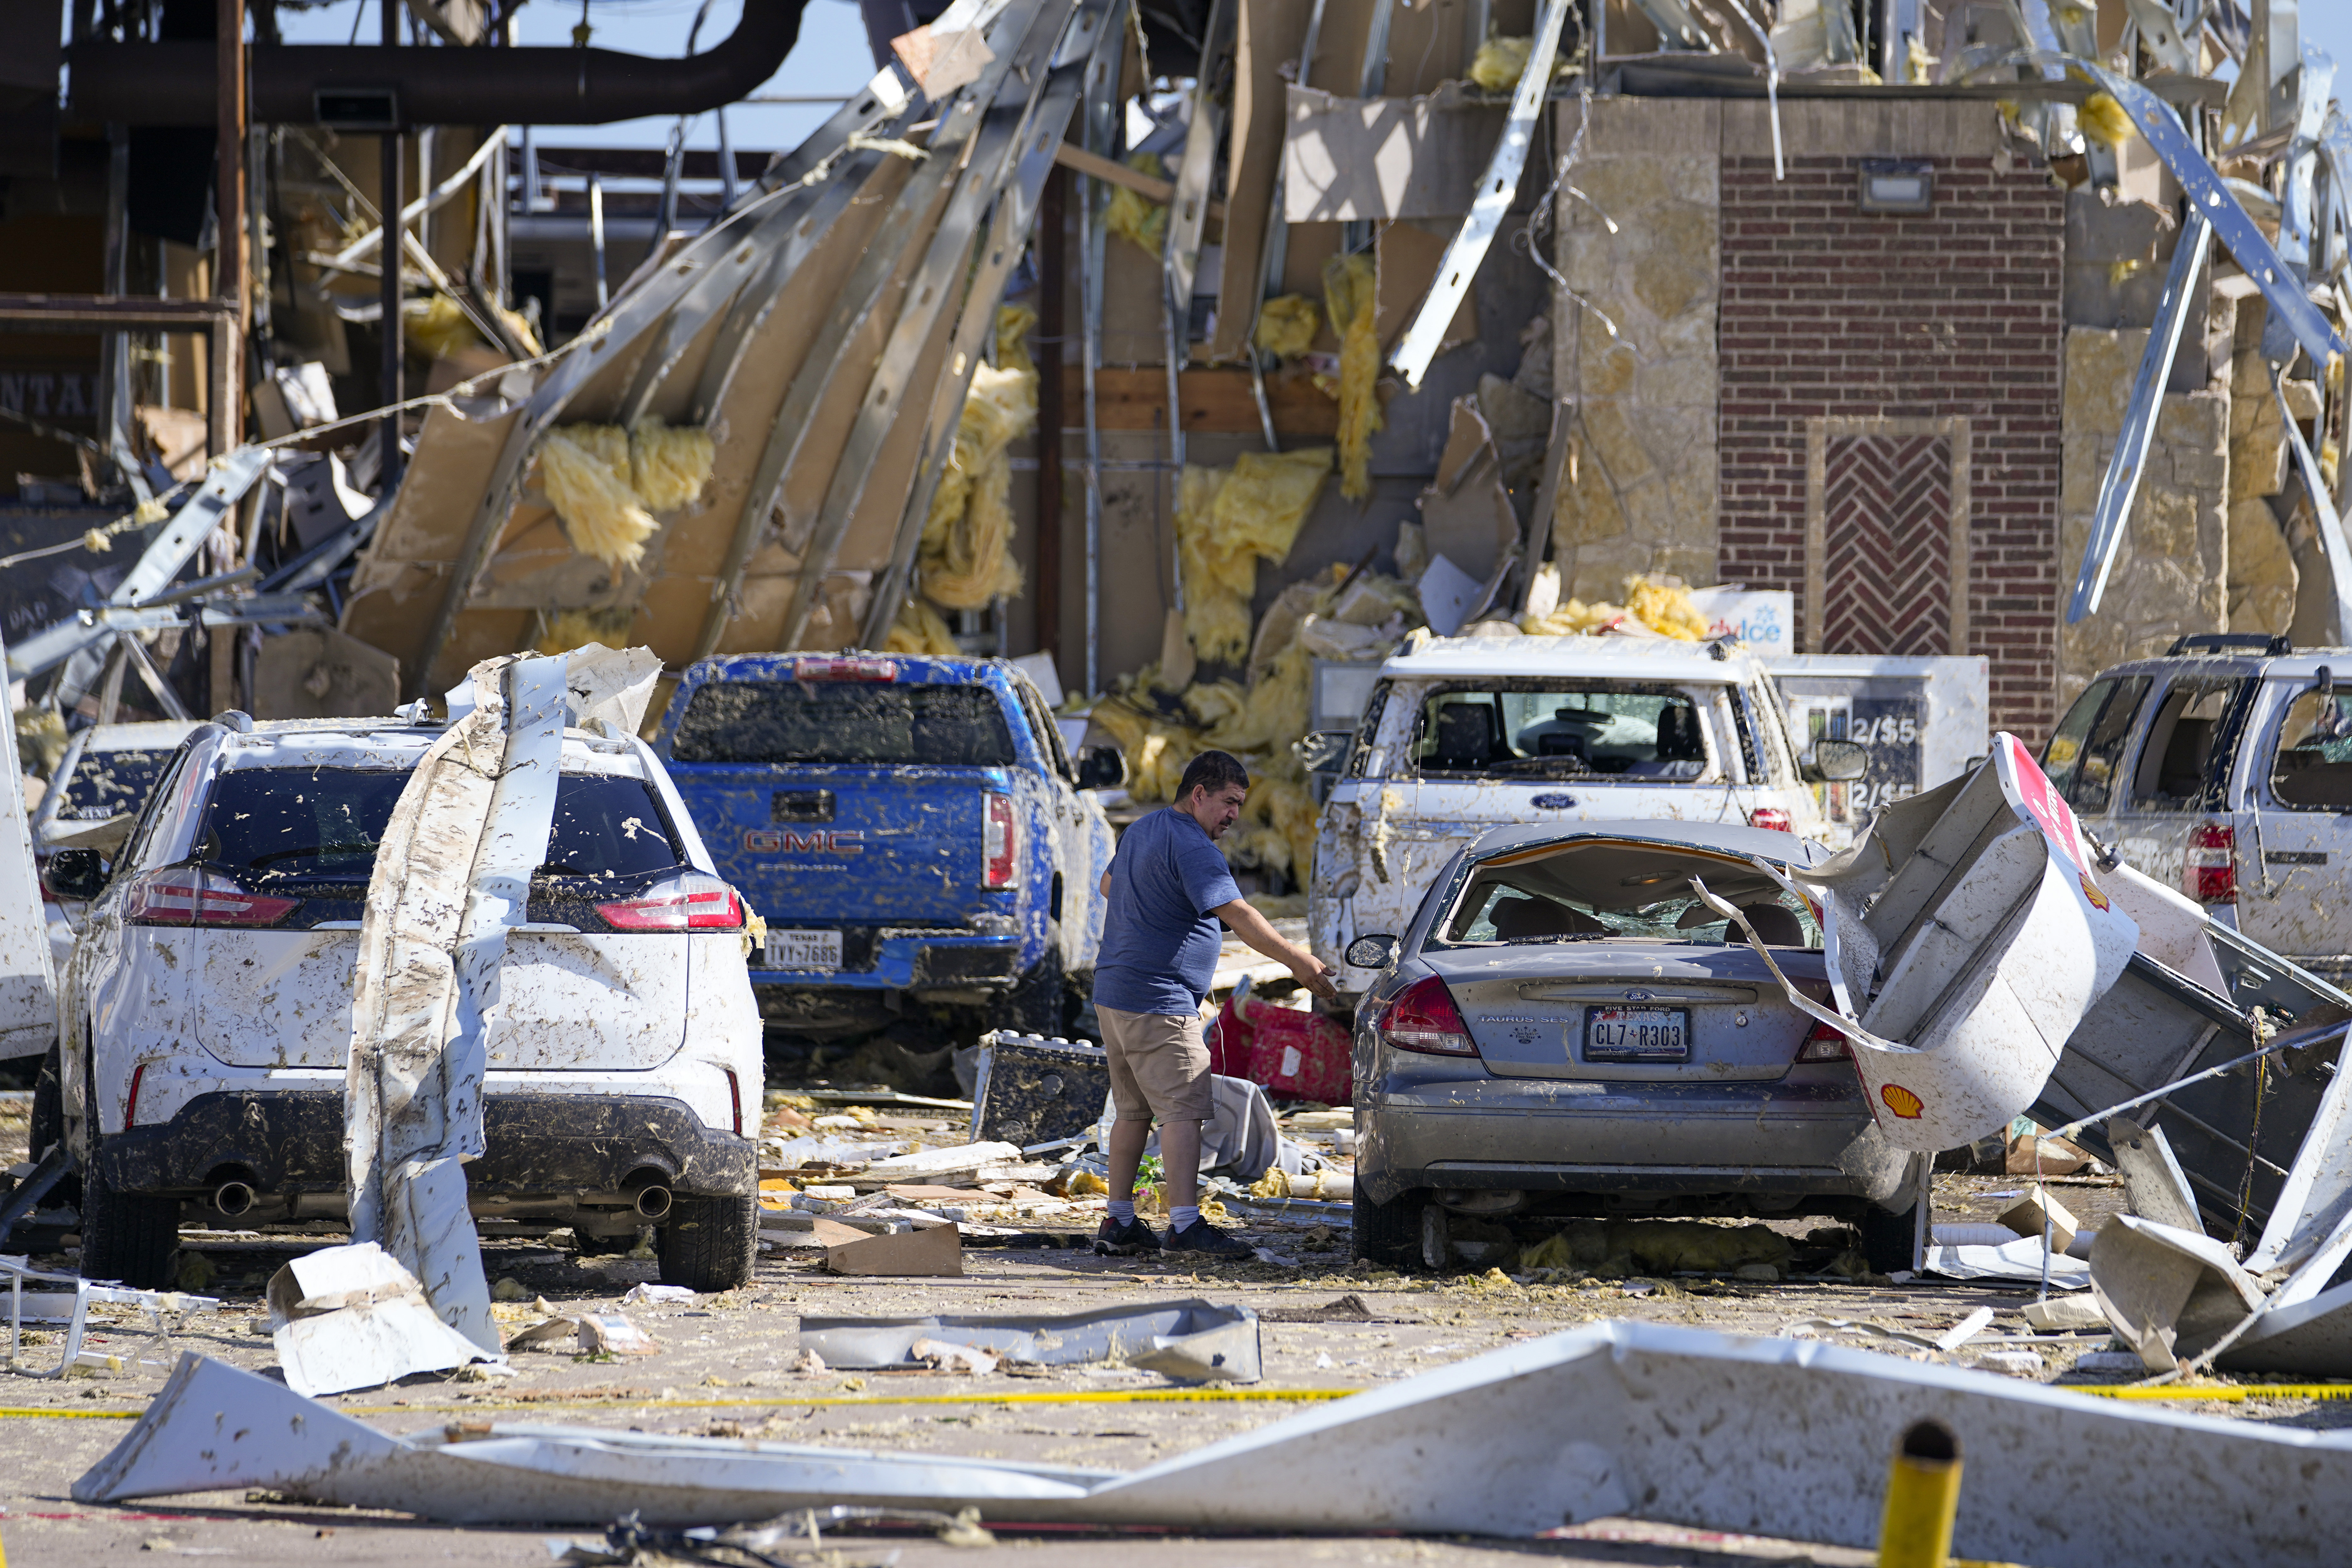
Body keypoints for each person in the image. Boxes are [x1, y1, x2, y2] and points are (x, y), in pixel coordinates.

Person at [1089, 748, 1336, 1257]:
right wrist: (1298, 962)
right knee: (1182, 1110)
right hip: (1158, 1000)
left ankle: (1118, 1223)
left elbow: (1109, 884)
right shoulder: (1193, 846)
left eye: (1240, 806)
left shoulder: (1142, 829)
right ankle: (1182, 1225)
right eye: (1228, 802)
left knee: (1132, 1114)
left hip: (1114, 995)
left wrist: (1158, 910)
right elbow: (1239, 913)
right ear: (1198, 794)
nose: (1233, 816)